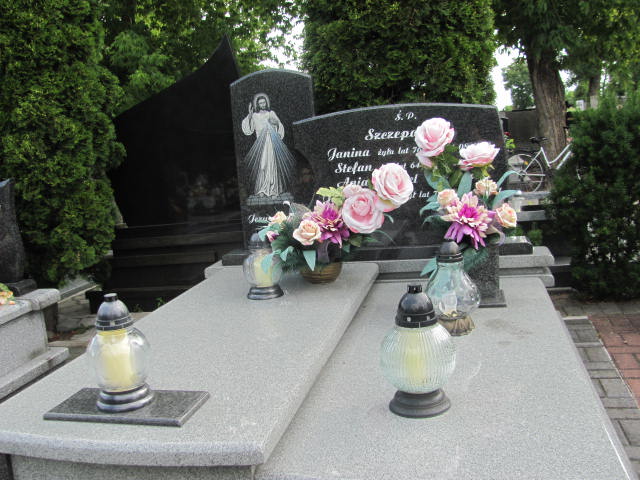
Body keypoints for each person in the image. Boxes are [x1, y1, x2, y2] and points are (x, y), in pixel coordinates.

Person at [241, 93, 295, 197]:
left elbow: (280, 126)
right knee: (262, 165)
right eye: (260, 103)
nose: (262, 104)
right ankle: (262, 188)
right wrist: (249, 115)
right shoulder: (255, 116)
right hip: (260, 144)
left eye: (264, 102)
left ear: (266, 103)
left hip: (270, 142)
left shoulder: (271, 113)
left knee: (271, 164)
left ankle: (274, 189)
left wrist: (276, 124)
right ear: (257, 104)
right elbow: (248, 130)